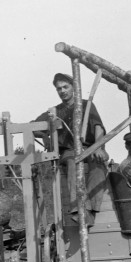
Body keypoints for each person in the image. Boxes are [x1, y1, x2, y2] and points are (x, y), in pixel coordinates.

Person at [34, 73, 109, 226]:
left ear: (73, 88)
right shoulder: (54, 111)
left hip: (89, 147)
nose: (62, 91)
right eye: (59, 89)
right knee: (72, 163)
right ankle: (78, 210)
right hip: (69, 151)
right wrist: (47, 132)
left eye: (65, 87)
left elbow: (98, 127)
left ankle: (91, 210)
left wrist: (98, 147)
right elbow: (33, 127)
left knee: (98, 167)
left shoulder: (87, 105)